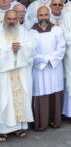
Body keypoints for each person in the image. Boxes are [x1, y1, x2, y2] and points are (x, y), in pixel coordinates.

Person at [0, 10, 35, 142]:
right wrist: (10, 51)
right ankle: (2, 130)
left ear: (18, 19)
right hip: (4, 75)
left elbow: (31, 48)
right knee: (4, 101)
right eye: (9, 19)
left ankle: (19, 127)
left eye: (14, 19)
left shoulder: (23, 32)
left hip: (21, 73)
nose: (11, 21)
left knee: (21, 99)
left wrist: (20, 49)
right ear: (4, 19)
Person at [30, 6, 66, 131]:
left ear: (49, 15)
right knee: (41, 92)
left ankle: (55, 120)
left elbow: (62, 48)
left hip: (54, 68)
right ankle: (42, 123)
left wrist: (51, 59)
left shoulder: (57, 30)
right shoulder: (31, 33)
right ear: (37, 16)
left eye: (46, 15)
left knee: (55, 91)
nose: (44, 17)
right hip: (40, 69)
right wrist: (45, 60)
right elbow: (31, 52)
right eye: (41, 15)